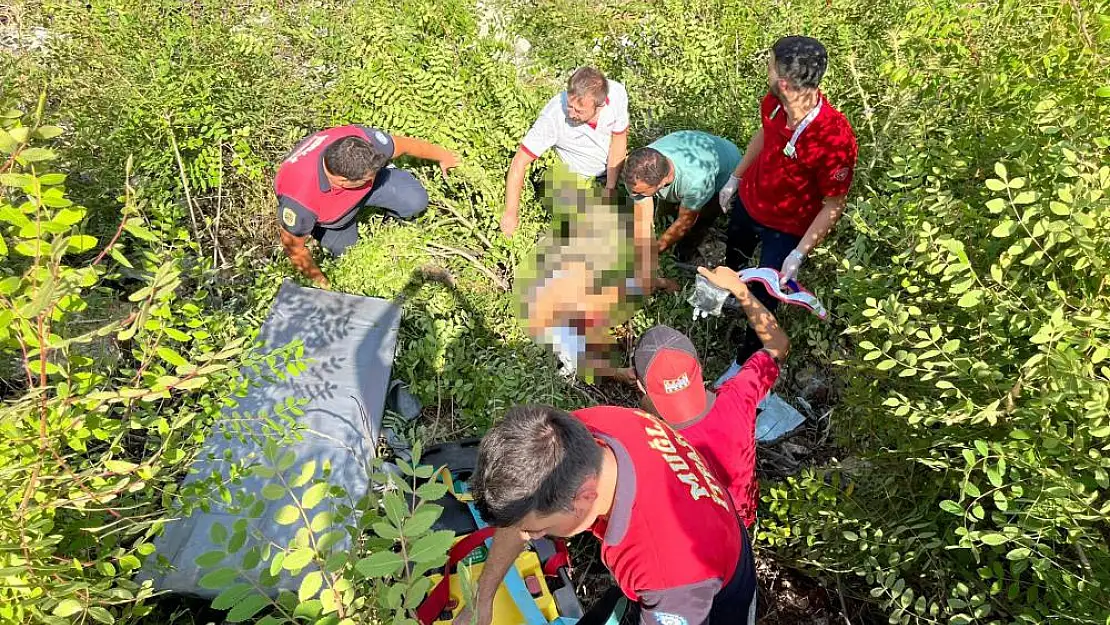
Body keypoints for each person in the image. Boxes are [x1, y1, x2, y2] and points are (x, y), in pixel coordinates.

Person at [456, 401, 757, 625]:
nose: (531, 537)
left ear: (585, 497)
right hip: (699, 526)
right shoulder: (578, 434)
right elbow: (518, 520)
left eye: (538, 530)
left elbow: (668, 576)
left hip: (714, 591)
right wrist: (481, 600)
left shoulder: (666, 570)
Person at [716, 35, 857, 383]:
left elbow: (833, 203)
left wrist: (799, 253)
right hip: (750, 203)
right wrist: (735, 177)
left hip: (787, 229)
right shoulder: (776, 104)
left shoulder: (834, 139)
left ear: (782, 79)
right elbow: (764, 134)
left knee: (765, 298)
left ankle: (744, 362)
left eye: (769, 63)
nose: (766, 68)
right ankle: (721, 294)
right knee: (733, 252)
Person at [630, 265, 789, 529]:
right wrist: (740, 290)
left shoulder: (647, 439)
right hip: (741, 519)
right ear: (699, 367)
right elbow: (779, 345)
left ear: (640, 385)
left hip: (693, 535)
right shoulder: (739, 396)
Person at [274, 125, 459, 288]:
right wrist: (323, 285)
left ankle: (390, 221)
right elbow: (295, 249)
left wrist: (444, 156)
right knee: (352, 258)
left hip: (365, 190)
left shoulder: (358, 142)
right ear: (343, 182)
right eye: (368, 176)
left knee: (415, 200)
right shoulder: (299, 202)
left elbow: (405, 145)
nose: (375, 173)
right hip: (334, 220)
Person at [500, 66, 630, 238]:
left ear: (599, 106)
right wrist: (510, 213)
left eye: (579, 110)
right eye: (570, 105)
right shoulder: (553, 117)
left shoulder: (617, 95)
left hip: (612, 170)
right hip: (575, 176)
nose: (571, 113)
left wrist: (610, 187)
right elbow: (519, 161)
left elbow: (619, 140)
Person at [621, 131, 741, 277]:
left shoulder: (696, 181)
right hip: (694, 151)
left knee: (701, 221)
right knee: (664, 216)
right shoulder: (637, 172)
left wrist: (653, 253)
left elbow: (685, 222)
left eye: (639, 192)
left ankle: (683, 256)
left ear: (662, 182)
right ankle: (664, 240)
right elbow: (643, 214)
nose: (633, 194)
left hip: (728, 171)